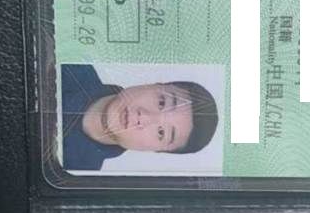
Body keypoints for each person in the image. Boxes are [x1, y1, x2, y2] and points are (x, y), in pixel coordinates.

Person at [60, 64, 219, 171]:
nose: (144, 117)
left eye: (161, 133)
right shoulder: (69, 63)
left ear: (155, 151)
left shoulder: (73, 176)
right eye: (162, 102)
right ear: (155, 84)